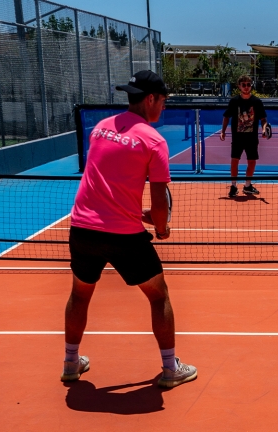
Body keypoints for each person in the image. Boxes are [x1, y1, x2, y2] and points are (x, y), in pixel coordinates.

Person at [62, 70, 197, 389]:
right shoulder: (154, 141)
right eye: (162, 101)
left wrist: (138, 213)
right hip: (124, 236)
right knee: (158, 295)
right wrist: (161, 227)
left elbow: (108, 183)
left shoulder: (100, 129)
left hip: (82, 229)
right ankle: (169, 368)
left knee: (79, 295)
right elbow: (160, 202)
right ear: (150, 99)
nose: (163, 107)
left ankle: (70, 362)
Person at [220, 75, 269, 198]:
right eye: (244, 85)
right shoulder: (234, 101)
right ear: (239, 86)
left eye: (248, 84)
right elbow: (226, 117)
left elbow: (263, 119)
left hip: (252, 138)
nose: (246, 87)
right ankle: (233, 186)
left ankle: (247, 185)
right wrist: (223, 131)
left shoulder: (257, 102)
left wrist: (264, 129)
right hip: (237, 137)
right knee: (234, 161)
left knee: (252, 162)